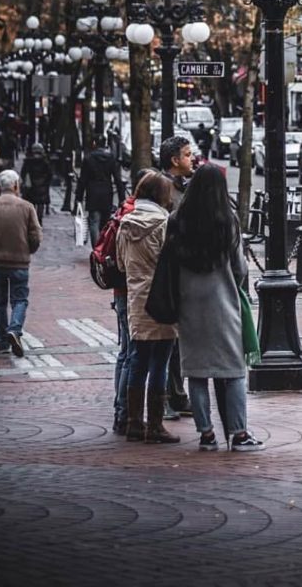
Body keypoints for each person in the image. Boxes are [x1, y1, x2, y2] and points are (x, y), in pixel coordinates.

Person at [167, 164, 264, 452]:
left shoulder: (177, 219)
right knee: (232, 370)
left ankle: (206, 433)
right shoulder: (227, 220)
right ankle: (238, 432)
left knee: (196, 372)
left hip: (189, 304)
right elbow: (240, 267)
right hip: (222, 304)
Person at [116, 170, 179, 444]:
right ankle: (155, 425)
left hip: (136, 299)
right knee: (161, 362)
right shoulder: (165, 223)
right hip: (162, 299)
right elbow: (175, 263)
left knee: (138, 360)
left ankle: (133, 422)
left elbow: (120, 263)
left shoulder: (125, 223)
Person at [109, 168, 153, 435]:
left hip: (121, 291)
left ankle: (121, 412)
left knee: (126, 353)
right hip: (132, 292)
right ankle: (124, 413)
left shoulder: (122, 210)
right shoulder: (137, 216)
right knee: (132, 355)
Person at [0, 169, 42, 356]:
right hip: (19, 261)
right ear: (16, 186)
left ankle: (2, 341)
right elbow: (36, 235)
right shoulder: (27, 207)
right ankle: (14, 329)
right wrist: (29, 249)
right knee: (20, 299)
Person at [159, 134, 194, 419]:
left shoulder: (185, 187)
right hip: (168, 275)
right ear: (174, 160)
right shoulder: (164, 189)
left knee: (179, 340)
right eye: (187, 154)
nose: (192, 158)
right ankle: (167, 396)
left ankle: (178, 394)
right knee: (167, 340)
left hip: (183, 274)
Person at [76, 134, 125, 246]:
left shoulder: (88, 159)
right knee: (105, 222)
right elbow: (117, 179)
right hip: (107, 192)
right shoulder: (111, 158)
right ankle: (103, 248)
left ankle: (96, 249)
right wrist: (122, 198)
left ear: (94, 144)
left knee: (94, 222)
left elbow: (83, 180)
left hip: (92, 192)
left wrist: (79, 197)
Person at [19, 143, 53, 224]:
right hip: (42, 185)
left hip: (31, 185)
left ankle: (32, 220)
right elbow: (50, 173)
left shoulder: (28, 161)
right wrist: (46, 182)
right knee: (40, 204)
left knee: (32, 203)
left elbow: (23, 173)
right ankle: (39, 220)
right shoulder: (45, 161)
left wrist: (25, 182)